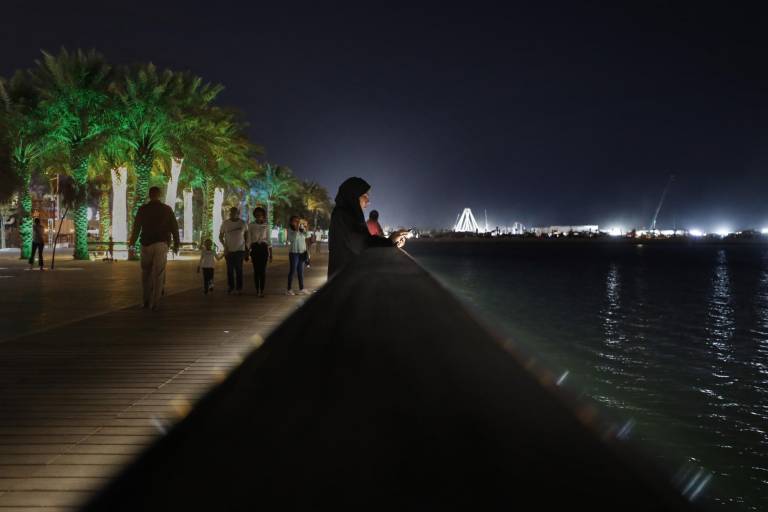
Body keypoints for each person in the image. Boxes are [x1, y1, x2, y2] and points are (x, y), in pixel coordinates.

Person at [328, 177, 408, 278]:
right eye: (365, 195)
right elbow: (363, 244)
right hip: (344, 284)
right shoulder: (343, 216)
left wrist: (391, 241)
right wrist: (390, 241)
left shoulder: (343, 215)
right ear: (353, 196)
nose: (368, 201)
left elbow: (363, 241)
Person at [129, 186, 180, 310]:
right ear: (159, 195)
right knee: (159, 273)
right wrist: (176, 244)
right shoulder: (167, 210)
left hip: (146, 243)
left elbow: (136, 228)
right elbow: (174, 227)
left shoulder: (143, 209)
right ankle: (155, 303)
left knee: (145, 273)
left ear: (149, 195)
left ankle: (145, 301)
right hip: (161, 243)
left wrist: (132, 243)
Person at [219, 207, 248, 295]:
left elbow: (246, 236)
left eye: (235, 212)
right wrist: (225, 246)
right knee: (230, 270)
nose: (233, 214)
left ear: (238, 213)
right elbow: (220, 236)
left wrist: (247, 249)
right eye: (231, 212)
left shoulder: (243, 223)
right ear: (230, 213)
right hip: (229, 251)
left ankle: (239, 288)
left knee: (239, 270)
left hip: (240, 250)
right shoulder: (225, 223)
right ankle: (231, 287)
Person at [247, 207, 272, 297]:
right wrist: (247, 251)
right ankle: (257, 290)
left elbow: (269, 239)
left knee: (263, 271)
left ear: (263, 215)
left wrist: (271, 254)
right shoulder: (251, 225)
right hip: (255, 248)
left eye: (260, 215)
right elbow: (249, 239)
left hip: (263, 248)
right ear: (254, 216)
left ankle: (262, 290)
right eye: (257, 215)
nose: (259, 217)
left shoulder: (267, 225)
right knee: (256, 270)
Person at [286, 215, 310, 295]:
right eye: (295, 221)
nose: (297, 223)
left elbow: (307, 236)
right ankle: (289, 289)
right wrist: (297, 230)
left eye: (298, 221)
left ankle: (301, 288)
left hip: (302, 253)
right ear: (291, 222)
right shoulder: (290, 230)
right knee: (292, 271)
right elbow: (292, 239)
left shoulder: (301, 229)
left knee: (301, 271)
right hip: (294, 253)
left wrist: (306, 228)